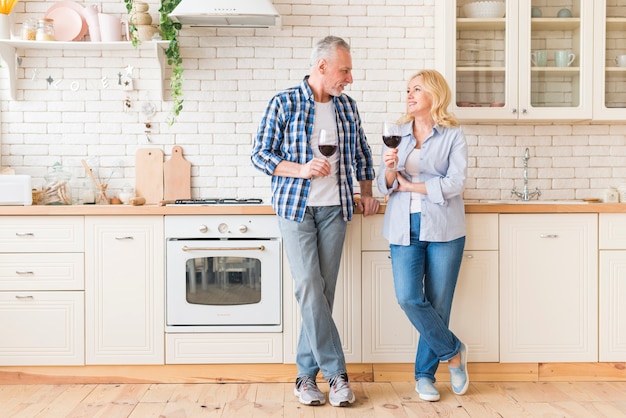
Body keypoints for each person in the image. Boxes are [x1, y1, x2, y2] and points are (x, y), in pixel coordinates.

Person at [251, 35, 380, 407]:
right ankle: (337, 374)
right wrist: (302, 169)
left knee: (322, 294)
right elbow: (260, 155)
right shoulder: (285, 102)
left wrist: (367, 192)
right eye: (345, 70)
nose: (350, 78)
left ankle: (305, 377)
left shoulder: (347, 108)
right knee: (309, 285)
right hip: (295, 209)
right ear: (322, 67)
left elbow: (361, 153)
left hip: (335, 210)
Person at [376, 69, 469, 402]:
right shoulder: (396, 133)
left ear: (435, 94)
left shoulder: (452, 136)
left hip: (445, 227)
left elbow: (456, 183)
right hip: (403, 226)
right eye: (407, 90)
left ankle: (424, 376)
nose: (409, 95)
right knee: (409, 298)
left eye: (417, 89)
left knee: (439, 304)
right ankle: (453, 352)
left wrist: (412, 185)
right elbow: (382, 185)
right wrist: (389, 169)